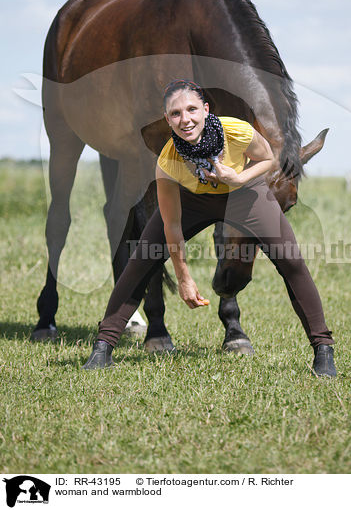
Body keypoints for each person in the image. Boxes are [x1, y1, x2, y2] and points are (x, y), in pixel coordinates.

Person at [83, 79, 336, 377]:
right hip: (194, 200)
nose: (185, 119)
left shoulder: (235, 130)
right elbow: (172, 224)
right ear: (168, 119)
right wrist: (184, 277)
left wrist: (240, 179)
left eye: (191, 109)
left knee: (291, 261)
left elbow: (268, 158)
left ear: (205, 110)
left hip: (245, 194)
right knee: (142, 260)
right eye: (175, 113)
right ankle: (103, 347)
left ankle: (323, 349)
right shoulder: (168, 161)